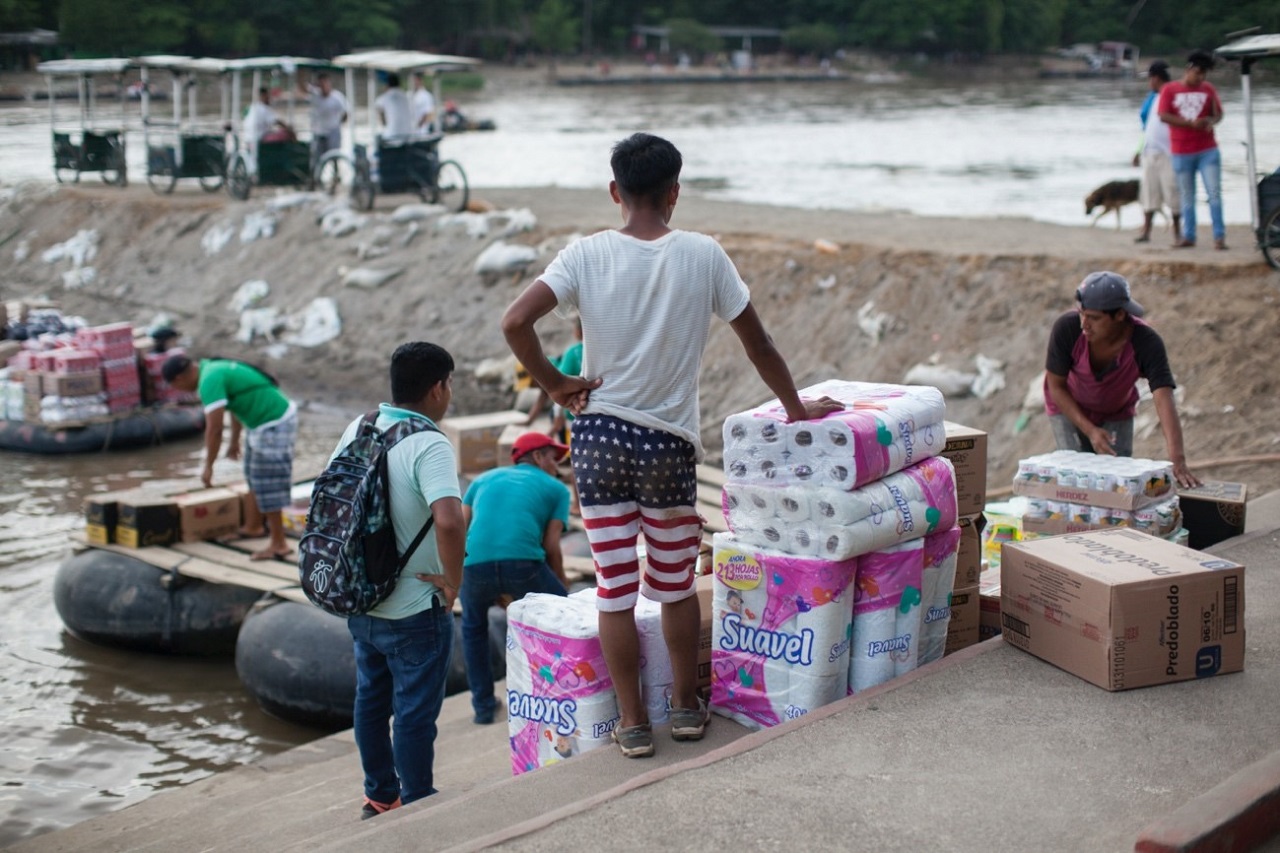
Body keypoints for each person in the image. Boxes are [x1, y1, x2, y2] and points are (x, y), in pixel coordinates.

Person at [501, 132, 843, 759]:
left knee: (613, 587)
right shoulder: (704, 255)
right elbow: (758, 344)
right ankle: (686, 708)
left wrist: (554, 384)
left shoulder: (585, 255)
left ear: (615, 193)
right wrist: (797, 409)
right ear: (674, 194)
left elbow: (514, 322)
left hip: (599, 438)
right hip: (666, 446)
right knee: (675, 585)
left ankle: (632, 724)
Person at [329, 341, 465, 820]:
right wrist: (453, 582)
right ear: (437, 388)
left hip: (361, 598)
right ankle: (418, 802)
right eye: (449, 385)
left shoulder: (360, 427)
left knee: (371, 702)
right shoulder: (429, 443)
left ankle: (380, 795)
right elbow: (449, 520)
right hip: (412, 608)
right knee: (412, 714)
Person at [1043, 271, 1200, 488]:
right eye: (1082, 314)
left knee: (1116, 483)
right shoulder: (1067, 329)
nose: (1084, 324)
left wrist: (1178, 461)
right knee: (1074, 477)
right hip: (1068, 406)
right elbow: (1056, 387)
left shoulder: (1146, 342)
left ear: (1119, 315)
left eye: (1094, 318)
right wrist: (1090, 431)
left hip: (1116, 411)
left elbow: (1164, 398)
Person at [460, 431, 572, 725]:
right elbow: (550, 545)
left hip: (473, 566)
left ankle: (483, 708)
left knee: (472, 629)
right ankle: (561, 694)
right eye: (553, 458)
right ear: (537, 457)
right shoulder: (557, 489)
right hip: (523, 563)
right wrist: (562, 582)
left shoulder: (482, 480)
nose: (557, 466)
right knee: (565, 618)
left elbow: (460, 527)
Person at [161, 355, 299, 560]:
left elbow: (214, 429)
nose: (179, 391)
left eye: (175, 386)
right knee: (252, 475)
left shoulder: (209, 380)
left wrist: (208, 467)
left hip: (274, 421)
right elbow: (235, 406)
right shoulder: (211, 368)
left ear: (180, 378)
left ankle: (279, 544)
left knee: (268, 481)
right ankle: (253, 527)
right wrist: (234, 441)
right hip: (259, 422)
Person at [1158, 50, 1226, 250]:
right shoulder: (1170, 89)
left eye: (1204, 74)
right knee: (1188, 196)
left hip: (1207, 149)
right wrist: (1189, 123)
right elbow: (1163, 115)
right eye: (1198, 72)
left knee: (1214, 193)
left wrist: (1210, 121)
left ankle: (1219, 236)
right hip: (1181, 149)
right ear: (1188, 70)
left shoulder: (1208, 89)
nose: (1201, 77)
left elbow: (1218, 114)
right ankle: (1189, 235)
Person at [1132, 61, 1180, 244]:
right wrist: (1138, 150)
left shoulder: (1172, 95)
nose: (1149, 83)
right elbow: (1147, 127)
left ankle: (1178, 233)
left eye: (1150, 79)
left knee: (1172, 192)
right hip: (1149, 151)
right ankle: (1146, 231)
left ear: (1156, 78)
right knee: (1149, 193)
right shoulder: (1152, 98)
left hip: (1169, 152)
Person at [299, 72, 347, 169]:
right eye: (321, 84)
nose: (323, 86)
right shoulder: (315, 94)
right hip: (318, 131)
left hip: (333, 131)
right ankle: (314, 179)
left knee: (334, 156)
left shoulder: (338, 97)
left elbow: (345, 113)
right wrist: (301, 73)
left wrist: (338, 124)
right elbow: (302, 88)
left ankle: (336, 176)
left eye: (325, 83)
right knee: (316, 157)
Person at [376, 72, 413, 140]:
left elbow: (381, 117)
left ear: (387, 84)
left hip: (392, 135)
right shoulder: (405, 96)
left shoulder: (384, 97)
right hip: (408, 134)